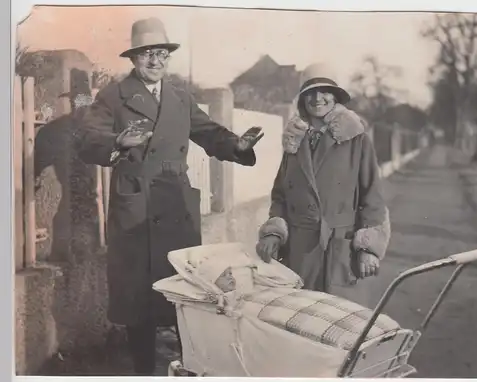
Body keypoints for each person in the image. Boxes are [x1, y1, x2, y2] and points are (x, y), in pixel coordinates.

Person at [74, 17, 263, 376]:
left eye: (161, 54)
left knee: (185, 290)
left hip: (175, 202)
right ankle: (144, 369)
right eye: (147, 54)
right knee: (137, 293)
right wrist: (117, 141)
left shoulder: (180, 97)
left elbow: (208, 132)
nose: (155, 61)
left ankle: (188, 363)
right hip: (136, 202)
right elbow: (86, 139)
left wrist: (236, 144)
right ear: (133, 59)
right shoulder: (112, 96)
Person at [255, 63, 391, 307]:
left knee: (340, 326)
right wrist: (275, 233)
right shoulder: (294, 141)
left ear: (335, 96)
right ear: (303, 99)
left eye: (325, 91)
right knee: (300, 323)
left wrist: (368, 248)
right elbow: (281, 194)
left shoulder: (355, 137)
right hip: (300, 251)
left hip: (340, 250)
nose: (317, 98)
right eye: (311, 92)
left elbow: (372, 195)